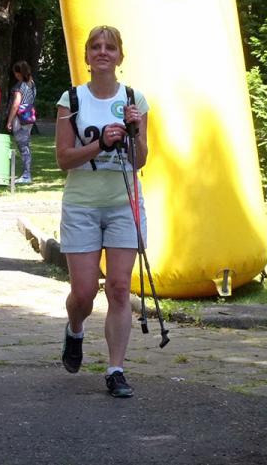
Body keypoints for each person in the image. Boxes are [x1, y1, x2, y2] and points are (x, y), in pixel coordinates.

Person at [55, 25, 149, 398]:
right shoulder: (72, 99)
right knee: (82, 292)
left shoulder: (134, 99)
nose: (103, 52)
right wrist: (100, 144)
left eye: (110, 47)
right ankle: (75, 330)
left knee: (120, 287)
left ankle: (115, 369)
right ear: (87, 56)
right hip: (82, 204)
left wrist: (134, 132)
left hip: (124, 202)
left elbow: (140, 160)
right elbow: (63, 159)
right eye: (96, 47)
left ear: (120, 56)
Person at [7, 60, 36, 184]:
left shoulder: (20, 86)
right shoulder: (32, 83)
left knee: (23, 146)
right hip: (29, 116)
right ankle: (26, 173)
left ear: (18, 73)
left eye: (15, 73)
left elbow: (16, 104)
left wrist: (9, 121)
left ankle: (26, 175)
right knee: (26, 145)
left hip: (20, 118)